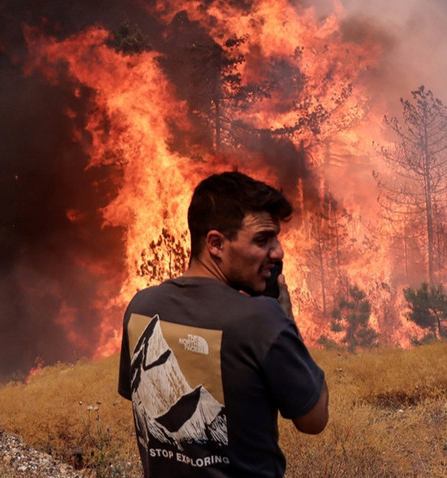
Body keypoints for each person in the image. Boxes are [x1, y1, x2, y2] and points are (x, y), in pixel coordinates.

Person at [118, 171, 328, 478]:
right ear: (216, 243)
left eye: (276, 238)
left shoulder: (141, 308)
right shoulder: (262, 320)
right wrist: (285, 318)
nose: (278, 252)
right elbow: (314, 420)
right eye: (262, 239)